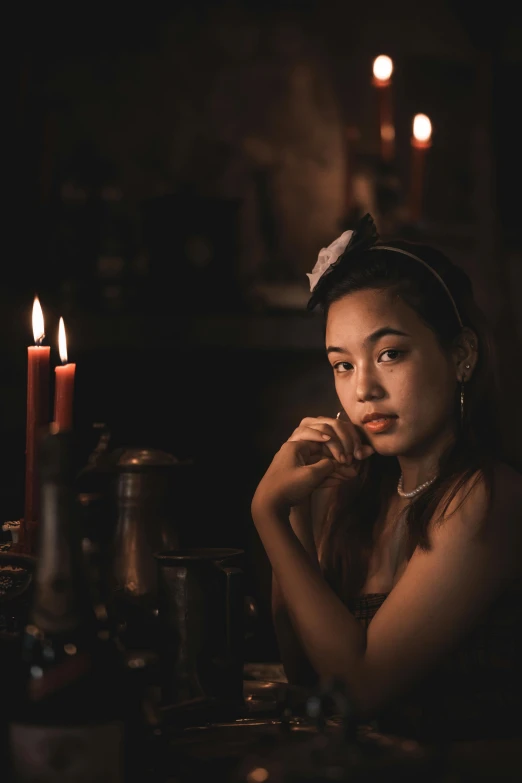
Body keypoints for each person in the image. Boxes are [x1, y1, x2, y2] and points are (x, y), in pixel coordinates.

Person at [251, 214, 522, 743]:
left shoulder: (487, 498)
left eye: (389, 354)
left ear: (462, 355)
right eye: (342, 365)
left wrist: (266, 514)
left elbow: (355, 692)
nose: (363, 390)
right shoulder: (360, 494)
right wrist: (295, 507)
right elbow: (308, 675)